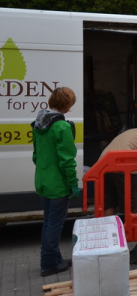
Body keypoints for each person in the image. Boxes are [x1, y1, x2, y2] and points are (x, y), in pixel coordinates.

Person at [31, 86, 78, 277]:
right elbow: (67, 160)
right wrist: (73, 183)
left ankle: (55, 259)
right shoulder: (62, 126)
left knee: (48, 221)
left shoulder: (38, 124)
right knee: (55, 224)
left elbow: (36, 155)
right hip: (58, 184)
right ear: (66, 104)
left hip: (42, 180)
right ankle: (48, 264)